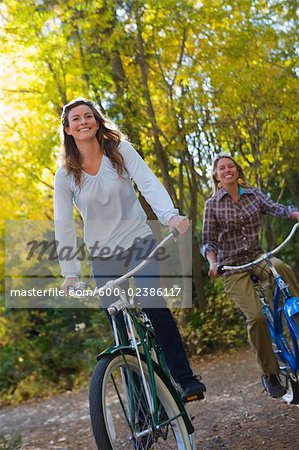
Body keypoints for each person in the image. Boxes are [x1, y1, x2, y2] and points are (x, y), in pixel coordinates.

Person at [54, 97, 206, 401]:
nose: (83, 122)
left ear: (96, 121)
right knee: (120, 330)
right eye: (76, 119)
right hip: (103, 256)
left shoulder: (119, 151)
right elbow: (64, 224)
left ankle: (185, 379)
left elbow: (148, 183)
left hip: (140, 242)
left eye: (88, 116)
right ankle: (141, 407)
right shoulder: (66, 175)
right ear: (68, 130)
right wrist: (69, 273)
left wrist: (170, 215)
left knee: (154, 305)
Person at [201, 154, 299, 398]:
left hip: (257, 258)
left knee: (282, 268)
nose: (227, 170)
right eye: (221, 168)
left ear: (237, 170)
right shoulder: (212, 204)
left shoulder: (253, 194)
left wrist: (295, 214)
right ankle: (270, 374)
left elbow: (278, 209)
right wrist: (213, 263)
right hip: (232, 269)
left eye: (230, 166)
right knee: (255, 317)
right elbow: (208, 242)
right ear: (216, 175)